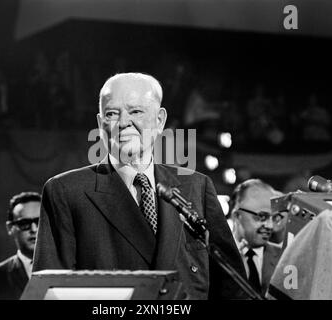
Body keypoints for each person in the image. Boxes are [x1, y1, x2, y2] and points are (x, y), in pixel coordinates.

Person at [33, 72, 247, 299]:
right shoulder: (67, 192)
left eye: (135, 111)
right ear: (99, 123)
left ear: (160, 120)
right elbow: (49, 293)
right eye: (112, 113)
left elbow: (232, 288)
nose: (124, 122)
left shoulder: (197, 186)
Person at [229, 179, 283, 296]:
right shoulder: (213, 257)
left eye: (273, 218)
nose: (270, 226)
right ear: (237, 216)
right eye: (261, 217)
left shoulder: (285, 258)